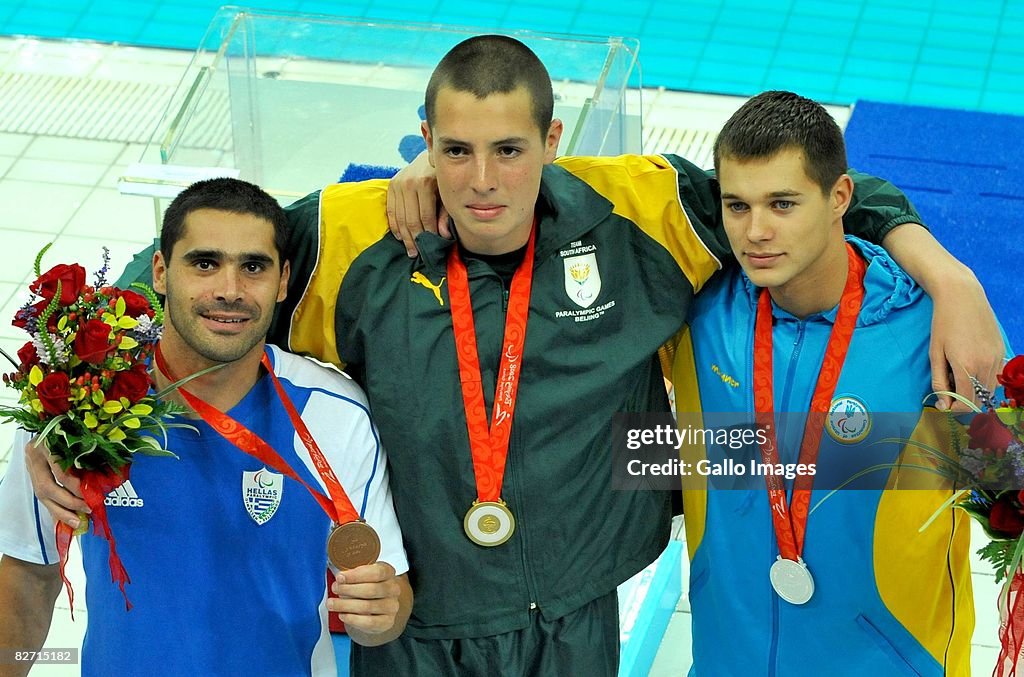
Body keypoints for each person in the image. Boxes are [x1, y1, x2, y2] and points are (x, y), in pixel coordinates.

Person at [26, 36, 1003, 675]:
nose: (482, 180)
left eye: (508, 150)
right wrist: (67, 414)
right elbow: (196, 264)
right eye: (455, 151)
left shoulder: (640, 213)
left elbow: (811, 192)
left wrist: (951, 278)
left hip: (573, 623)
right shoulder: (356, 229)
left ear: (552, 140)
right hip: (411, 628)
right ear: (424, 143)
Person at [0, 178, 412, 677]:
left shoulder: (334, 412)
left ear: (283, 280)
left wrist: (379, 616)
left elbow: (386, 599)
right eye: (204, 263)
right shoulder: (74, 403)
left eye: (253, 267)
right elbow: (28, 572)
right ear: (160, 271)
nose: (229, 291)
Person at [672, 91, 987, 674]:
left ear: (840, 197)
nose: (756, 232)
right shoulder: (699, 312)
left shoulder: (932, 334)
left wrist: (955, 283)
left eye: (782, 204)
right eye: (737, 206)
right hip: (727, 659)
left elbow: (1008, 480)